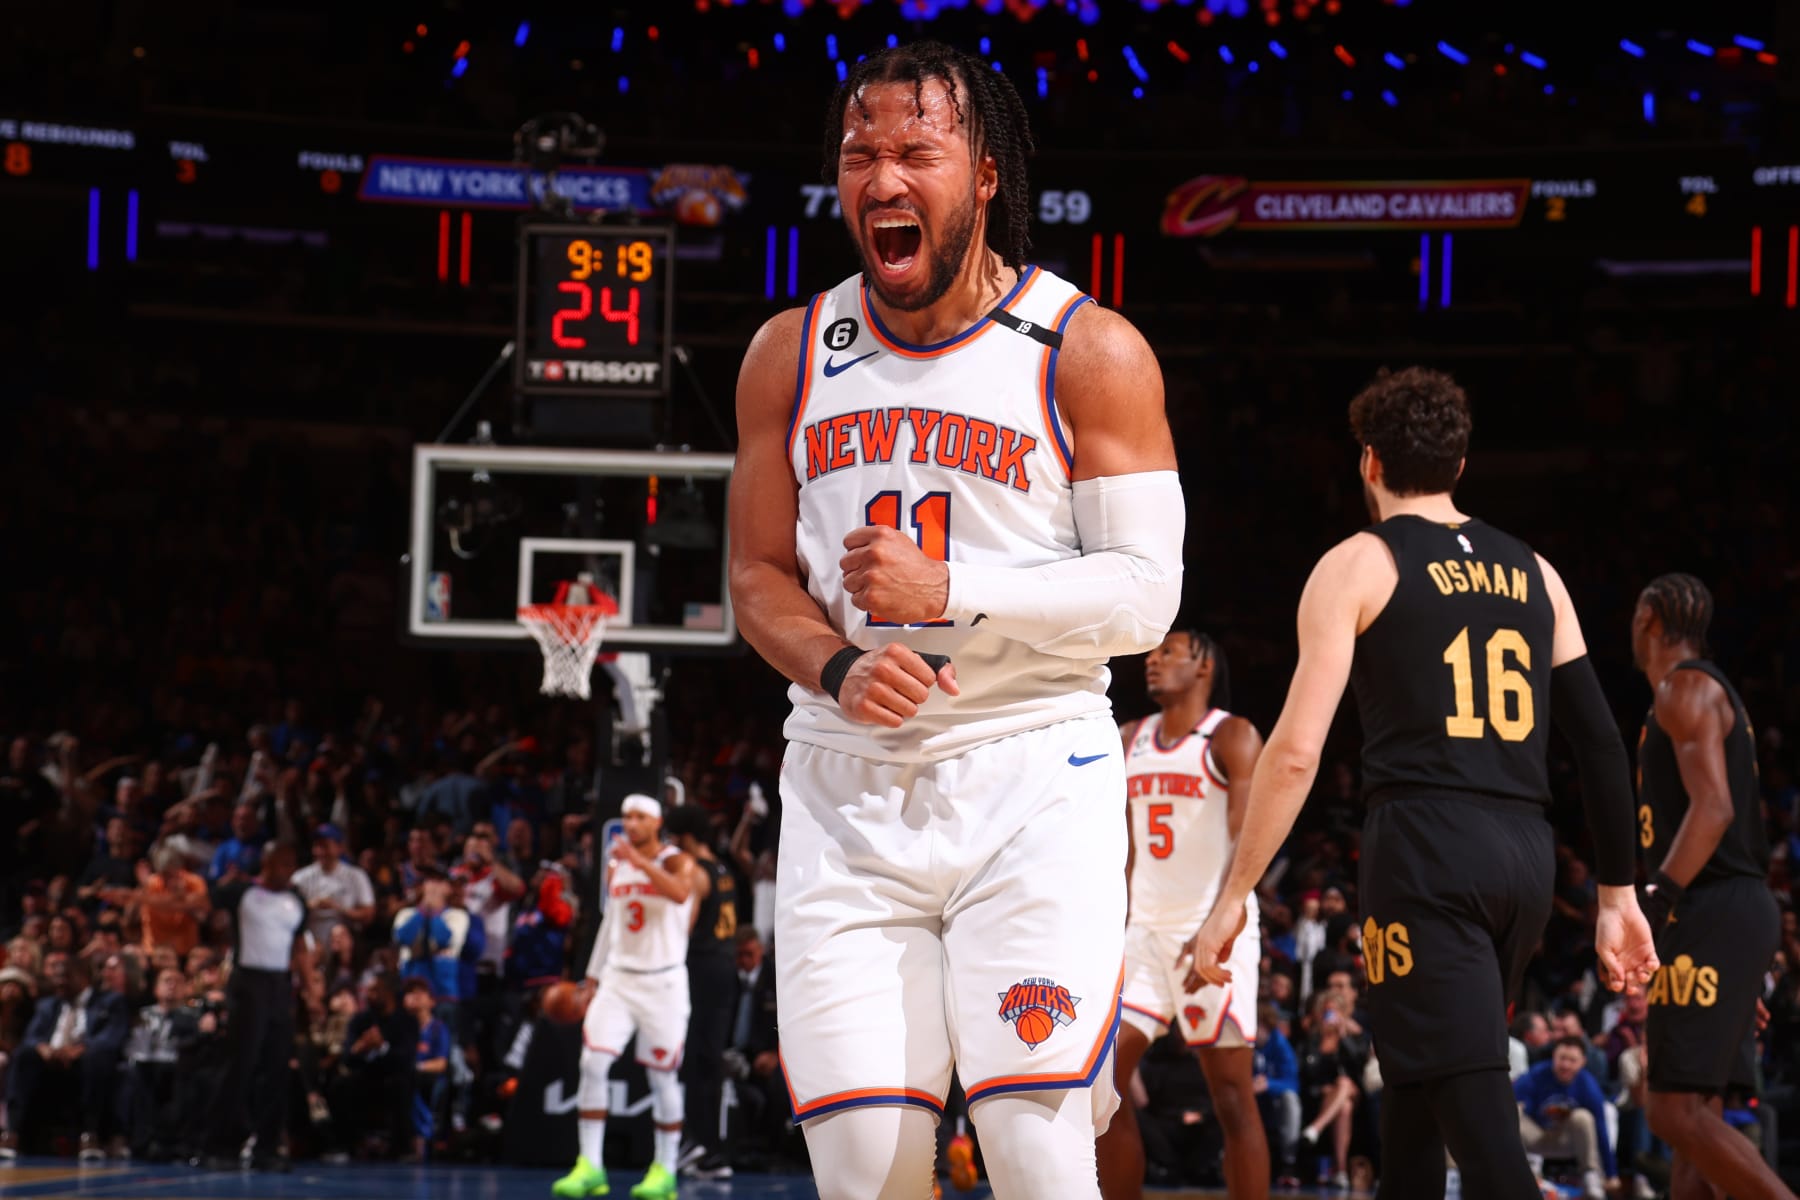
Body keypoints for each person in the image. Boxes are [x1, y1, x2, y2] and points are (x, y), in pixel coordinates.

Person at [728, 40, 1182, 1200]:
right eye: (859, 153)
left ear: (983, 175)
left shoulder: (1088, 351)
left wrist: (953, 593)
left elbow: (1146, 596)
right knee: (864, 1171)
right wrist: (835, 665)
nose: (882, 178)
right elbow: (756, 577)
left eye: (915, 152)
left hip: (1032, 774)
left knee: (1034, 1155)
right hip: (845, 790)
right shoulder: (789, 352)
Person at [1183, 367, 1658, 1200]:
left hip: (1427, 851)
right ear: (1460, 465)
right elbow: (1600, 743)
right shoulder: (1537, 570)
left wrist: (1234, 895)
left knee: (1478, 1129)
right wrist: (1617, 894)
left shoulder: (1358, 564)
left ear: (1369, 461)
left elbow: (1294, 753)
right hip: (1525, 856)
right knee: (1415, 1092)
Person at [1630, 573, 1793, 1200]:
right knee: (1697, 1126)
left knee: (1672, 1112)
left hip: (1711, 906)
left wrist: (1659, 899)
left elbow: (1715, 809)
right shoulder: (1698, 692)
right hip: (1732, 912)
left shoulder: (1684, 687)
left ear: (1648, 619)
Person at [1099, 629, 1268, 1199]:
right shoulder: (1129, 738)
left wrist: (1219, 927)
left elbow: (1246, 842)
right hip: (1144, 933)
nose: (1153, 659)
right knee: (1101, 1084)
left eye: (1169, 651)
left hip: (1213, 928)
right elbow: (1124, 850)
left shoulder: (1231, 735)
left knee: (1231, 1097)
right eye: (1153, 651)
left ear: (1204, 668)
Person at [554, 795, 700, 1200]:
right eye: (626, 817)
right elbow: (611, 923)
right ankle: (590, 1166)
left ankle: (665, 1169)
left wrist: (639, 862)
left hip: (663, 983)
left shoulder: (677, 861)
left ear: (656, 822)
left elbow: (679, 893)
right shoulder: (616, 866)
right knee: (592, 1062)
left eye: (639, 817)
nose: (631, 824)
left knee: (662, 1076)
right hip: (618, 979)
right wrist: (592, 976)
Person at [200, 841, 311, 1172]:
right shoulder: (242, 892)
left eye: (292, 864)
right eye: (282, 863)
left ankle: (266, 1147)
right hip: (248, 982)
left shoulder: (296, 900)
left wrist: (311, 990)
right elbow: (206, 907)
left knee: (277, 1066)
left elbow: (300, 946)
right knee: (240, 1064)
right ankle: (220, 1145)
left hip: (280, 985)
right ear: (266, 862)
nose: (288, 870)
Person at [663, 803, 737, 1179]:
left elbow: (682, 929)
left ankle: (702, 1146)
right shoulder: (723, 869)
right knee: (710, 1059)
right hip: (725, 968)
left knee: (696, 1061)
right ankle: (709, 1146)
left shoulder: (695, 874)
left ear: (686, 838)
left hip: (702, 971)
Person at [0, 952, 129, 1161]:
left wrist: (82, 1048)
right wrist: (42, 1047)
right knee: (23, 1055)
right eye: (57, 977)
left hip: (85, 1062)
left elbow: (112, 1037)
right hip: (49, 1061)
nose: (60, 982)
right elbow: (31, 1037)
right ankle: (12, 1134)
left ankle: (90, 1135)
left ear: (84, 977)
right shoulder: (47, 1005)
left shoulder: (110, 1001)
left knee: (96, 1058)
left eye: (66, 976)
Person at [1513, 1036, 1616, 1199]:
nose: (1566, 1065)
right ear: (1554, 1057)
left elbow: (1601, 1129)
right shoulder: (1537, 1074)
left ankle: (1590, 1176)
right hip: (1536, 1136)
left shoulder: (1587, 1084)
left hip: (1566, 1141)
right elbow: (1511, 1098)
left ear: (1582, 1062)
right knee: (1514, 1111)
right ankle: (1518, 1174)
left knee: (1584, 1117)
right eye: (1562, 1058)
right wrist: (1529, 1105)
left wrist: (1611, 1174)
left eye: (1572, 1060)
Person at [291, 823, 376, 948]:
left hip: (346, 938)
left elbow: (369, 915)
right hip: (310, 937)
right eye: (316, 846)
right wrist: (309, 906)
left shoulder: (356, 876)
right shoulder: (300, 877)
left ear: (339, 847)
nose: (319, 851)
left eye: (325, 846)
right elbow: (287, 912)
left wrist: (338, 908)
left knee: (340, 933)